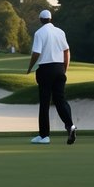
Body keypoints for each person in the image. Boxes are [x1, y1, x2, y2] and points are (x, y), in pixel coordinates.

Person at [26, 8, 76, 145]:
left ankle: (44, 136)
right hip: (60, 68)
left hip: (46, 70)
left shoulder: (39, 33)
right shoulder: (60, 32)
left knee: (44, 103)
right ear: (50, 19)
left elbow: (36, 53)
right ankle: (70, 125)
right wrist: (64, 68)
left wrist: (30, 68)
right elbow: (67, 51)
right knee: (60, 100)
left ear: (40, 20)